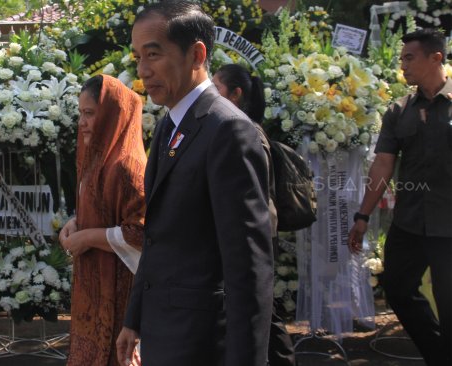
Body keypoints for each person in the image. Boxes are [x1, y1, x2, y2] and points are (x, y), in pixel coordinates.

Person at [116, 2, 274, 365]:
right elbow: (157, 236)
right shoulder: (168, 125)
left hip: (203, 340)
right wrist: (135, 318)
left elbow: (248, 264)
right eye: (138, 57)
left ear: (196, 54)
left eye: (153, 54)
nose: (142, 70)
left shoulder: (228, 130)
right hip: (164, 330)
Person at [348, 28, 452, 366]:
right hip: (409, 223)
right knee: (396, 288)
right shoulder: (399, 109)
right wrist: (362, 217)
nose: (402, 65)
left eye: (409, 57)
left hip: (449, 226)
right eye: (401, 58)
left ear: (436, 58)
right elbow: (382, 165)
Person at [59, 74, 147, 366]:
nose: (82, 122)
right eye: (80, 113)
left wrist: (87, 238)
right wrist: (76, 223)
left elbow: (140, 233)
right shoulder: (98, 159)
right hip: (93, 291)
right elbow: (99, 209)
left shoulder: (128, 168)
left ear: (112, 115)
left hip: (121, 294)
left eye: (90, 114)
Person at [214, 63, 296, 366]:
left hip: (258, 233)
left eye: (217, 88)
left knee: (263, 311)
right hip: (256, 231)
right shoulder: (241, 126)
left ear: (235, 94)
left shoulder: (244, 130)